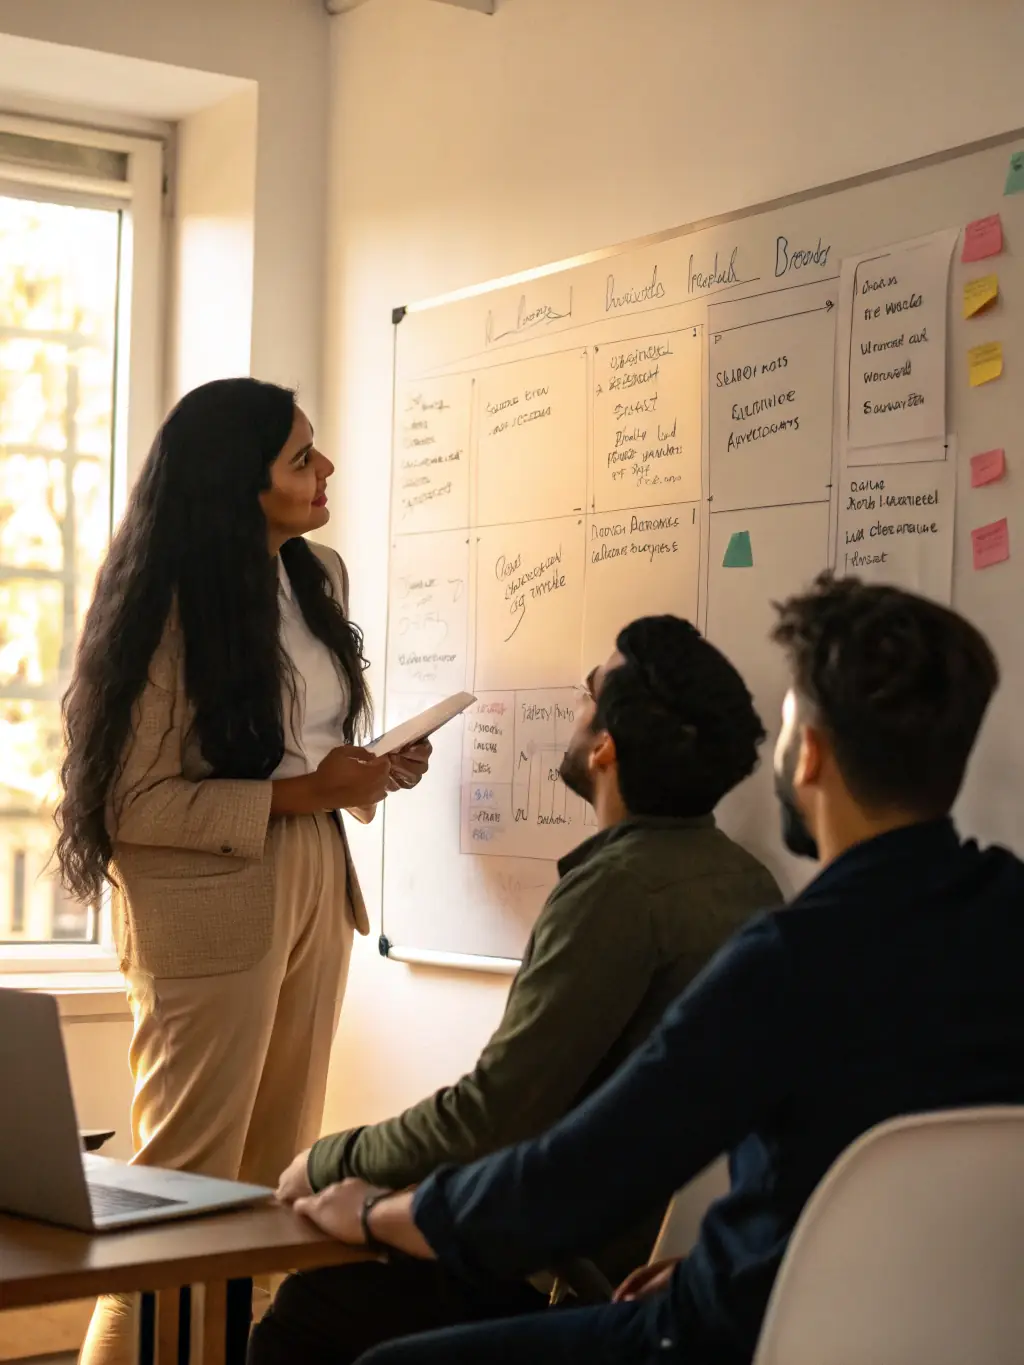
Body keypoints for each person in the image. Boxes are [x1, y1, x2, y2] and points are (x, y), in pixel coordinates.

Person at [285, 573, 1024, 1365]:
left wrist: (377, 1213)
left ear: (809, 753)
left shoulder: (787, 961)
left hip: (741, 1335)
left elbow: (575, 1180)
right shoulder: (1003, 914)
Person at [249, 615, 781, 1364]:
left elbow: (491, 1116)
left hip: (572, 1264)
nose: (574, 704)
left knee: (319, 1299)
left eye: (586, 693)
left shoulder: (618, 892)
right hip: (688, 1253)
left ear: (605, 747)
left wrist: (328, 1160)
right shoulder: (747, 882)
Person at [55, 378, 432, 1365]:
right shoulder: (164, 603)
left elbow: (301, 752)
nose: (326, 470)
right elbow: (130, 806)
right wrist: (302, 794)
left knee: (272, 1197)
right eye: (301, 457)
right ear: (238, 480)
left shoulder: (320, 576)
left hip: (313, 875)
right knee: (175, 1208)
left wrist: (363, 774)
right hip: (203, 901)